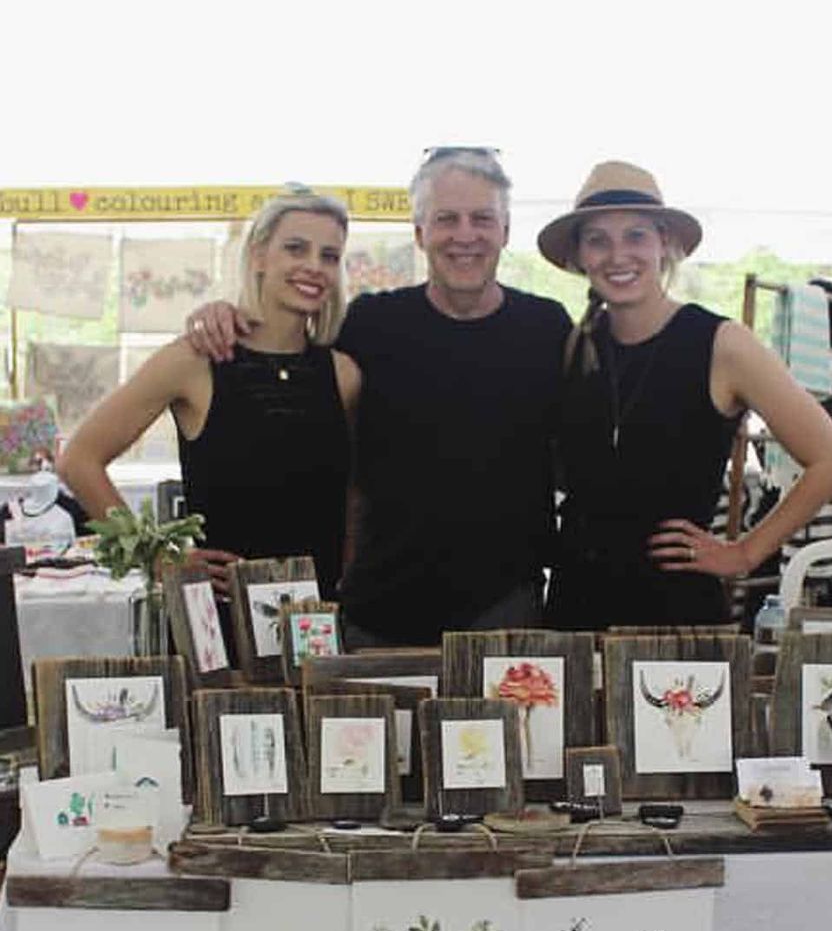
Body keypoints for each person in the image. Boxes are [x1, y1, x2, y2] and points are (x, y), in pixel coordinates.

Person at [187, 149, 572, 645]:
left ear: (505, 230)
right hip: (379, 607)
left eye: (482, 218)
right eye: (446, 219)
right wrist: (225, 313)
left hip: (504, 606)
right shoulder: (370, 324)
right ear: (418, 232)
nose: (465, 235)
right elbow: (287, 360)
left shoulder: (547, 327)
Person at [537, 161, 832, 629]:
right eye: (598, 239)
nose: (617, 254)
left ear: (665, 243)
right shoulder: (576, 344)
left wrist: (745, 551)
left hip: (674, 611)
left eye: (636, 236)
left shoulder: (722, 344)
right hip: (574, 606)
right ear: (581, 255)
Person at [58, 189, 360, 601]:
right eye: (295, 248)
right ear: (257, 255)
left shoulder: (344, 375)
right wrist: (156, 557)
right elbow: (79, 460)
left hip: (319, 618)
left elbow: (356, 491)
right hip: (216, 618)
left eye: (329, 256)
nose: (313, 266)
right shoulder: (194, 361)